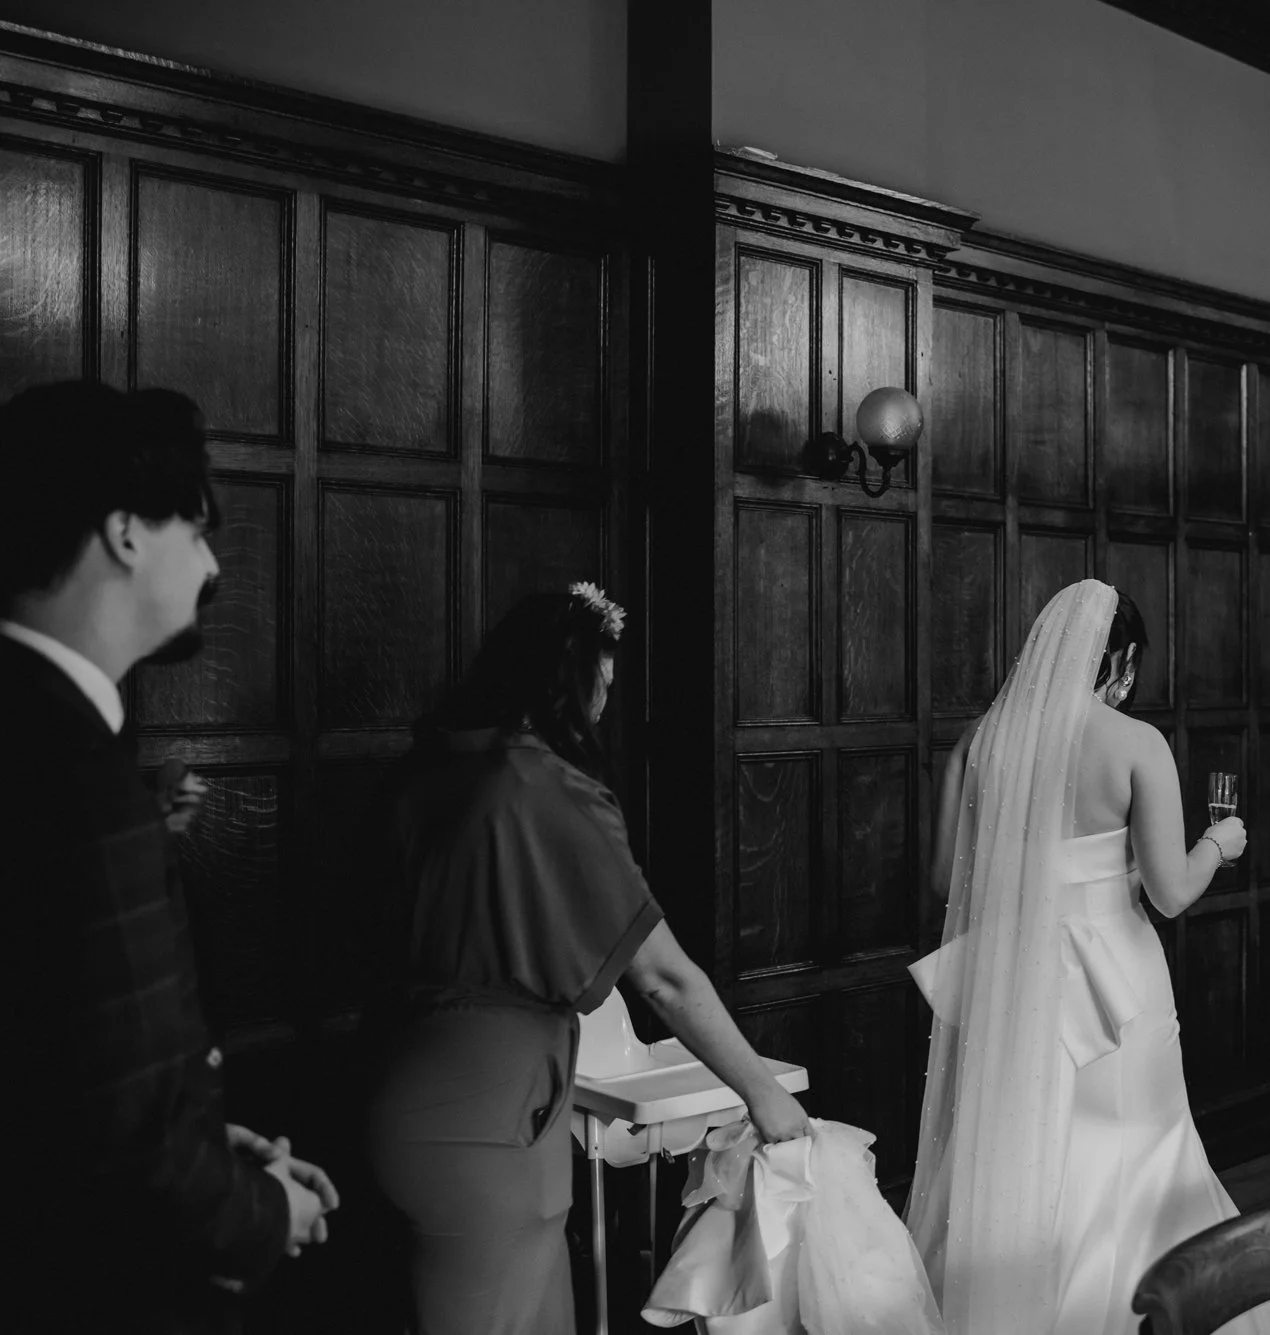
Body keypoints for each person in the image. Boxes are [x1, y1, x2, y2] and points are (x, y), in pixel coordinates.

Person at [363, 584, 810, 1335]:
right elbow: (664, 975)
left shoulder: (424, 772)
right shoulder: (545, 788)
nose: (604, 704)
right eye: (602, 681)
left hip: (412, 1097)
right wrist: (765, 1095)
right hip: (489, 1122)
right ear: (567, 681)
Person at [0, 381, 334, 1333]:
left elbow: (54, 1068)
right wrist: (269, 1210)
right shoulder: (76, 779)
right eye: (197, 528)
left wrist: (202, 1140)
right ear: (125, 533)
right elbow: (129, 1153)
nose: (212, 563)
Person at [903, 580, 1270, 1335]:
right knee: (1139, 1147)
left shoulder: (980, 742)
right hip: (1118, 990)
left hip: (1015, 982)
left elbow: (948, 879)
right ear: (1123, 661)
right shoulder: (1136, 742)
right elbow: (1170, 893)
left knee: (1027, 1150)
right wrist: (1217, 843)